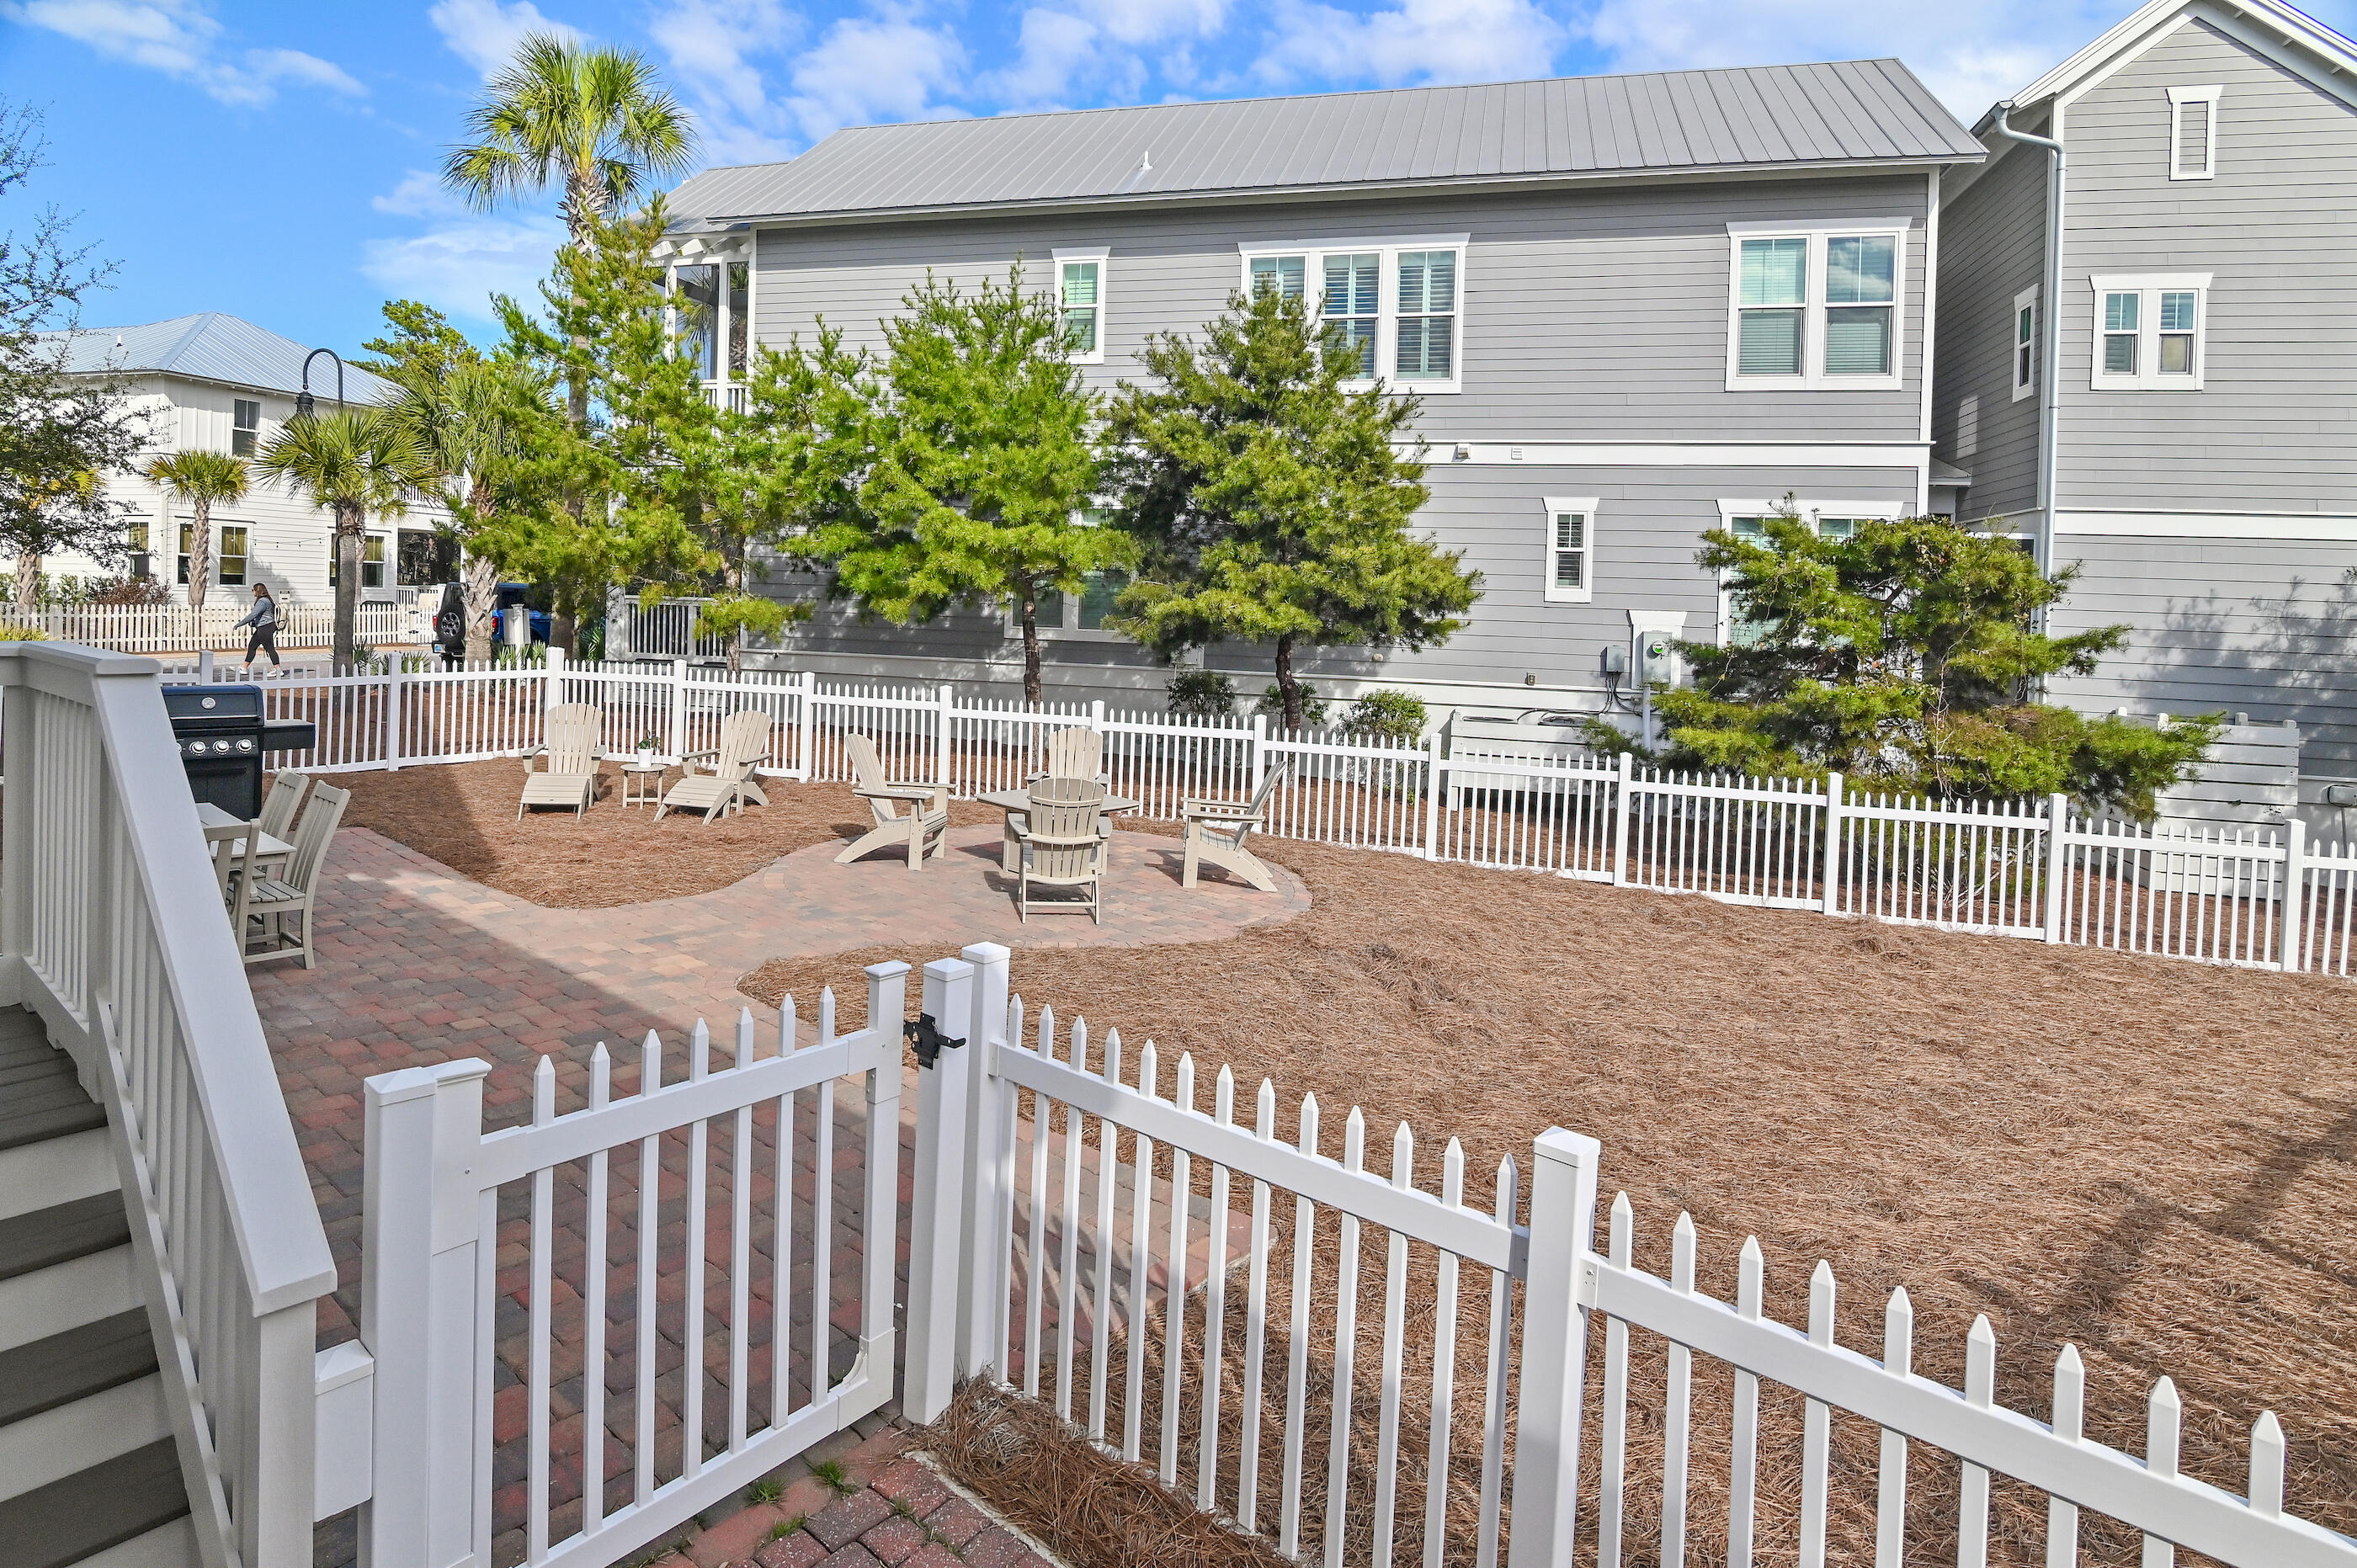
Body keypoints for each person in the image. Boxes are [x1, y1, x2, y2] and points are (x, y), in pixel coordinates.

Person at [232, 582, 280, 672]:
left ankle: (277, 669)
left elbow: (253, 614)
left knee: (270, 648)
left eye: (253, 590)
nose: (252, 592)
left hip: (265, 627)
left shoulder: (262, 601)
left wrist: (239, 624)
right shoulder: (268, 600)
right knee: (252, 646)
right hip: (264, 627)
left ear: (257, 591)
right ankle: (244, 668)